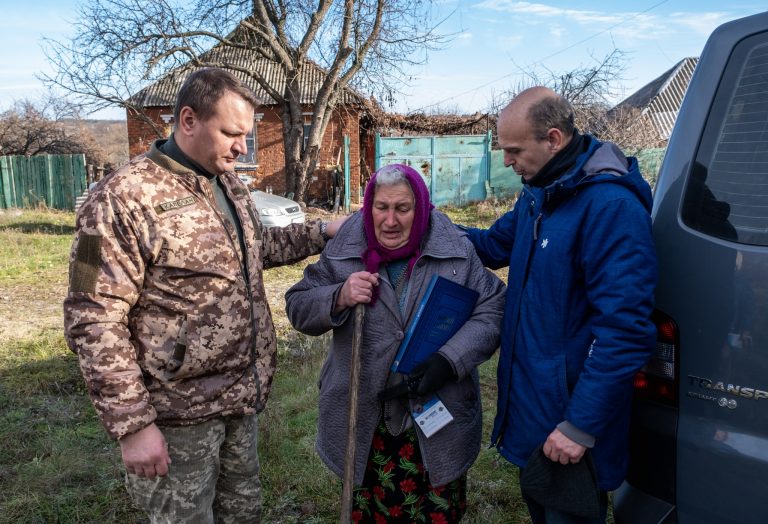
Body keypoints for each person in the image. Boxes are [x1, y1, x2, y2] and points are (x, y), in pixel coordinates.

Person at [63, 68, 344, 523]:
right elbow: (93, 317)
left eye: (247, 136)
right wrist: (133, 424)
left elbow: (255, 248)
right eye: (232, 133)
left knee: (242, 514)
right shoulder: (119, 199)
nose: (242, 148)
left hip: (239, 400)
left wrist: (324, 231)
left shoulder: (227, 183)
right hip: (175, 416)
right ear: (188, 120)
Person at [463, 87, 658, 523]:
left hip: (571, 424)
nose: (508, 161)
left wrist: (580, 426)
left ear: (553, 139)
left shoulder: (611, 209)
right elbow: (493, 245)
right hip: (533, 410)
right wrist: (427, 225)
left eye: (514, 150)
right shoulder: (539, 192)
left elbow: (624, 332)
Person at [285, 164, 505, 523]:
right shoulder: (346, 247)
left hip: (436, 418)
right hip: (365, 421)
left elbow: (493, 306)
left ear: (421, 208)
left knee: (436, 511)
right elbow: (297, 305)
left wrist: (449, 361)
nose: (390, 220)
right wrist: (338, 296)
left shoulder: (454, 249)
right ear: (369, 205)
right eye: (381, 207)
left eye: (403, 208)